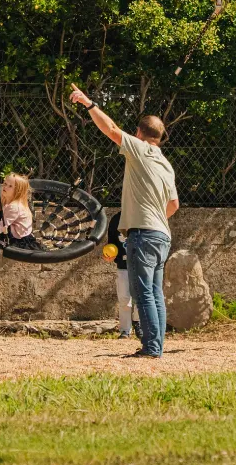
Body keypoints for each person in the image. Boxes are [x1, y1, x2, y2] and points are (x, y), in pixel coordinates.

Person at [69, 85, 178, 358]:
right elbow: (174, 205)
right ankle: (157, 345)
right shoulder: (166, 164)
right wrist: (154, 219)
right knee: (155, 293)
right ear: (160, 137)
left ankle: (152, 349)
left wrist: (88, 103)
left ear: (140, 133)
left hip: (143, 235)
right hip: (162, 235)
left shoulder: (141, 150)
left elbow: (111, 130)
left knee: (142, 294)